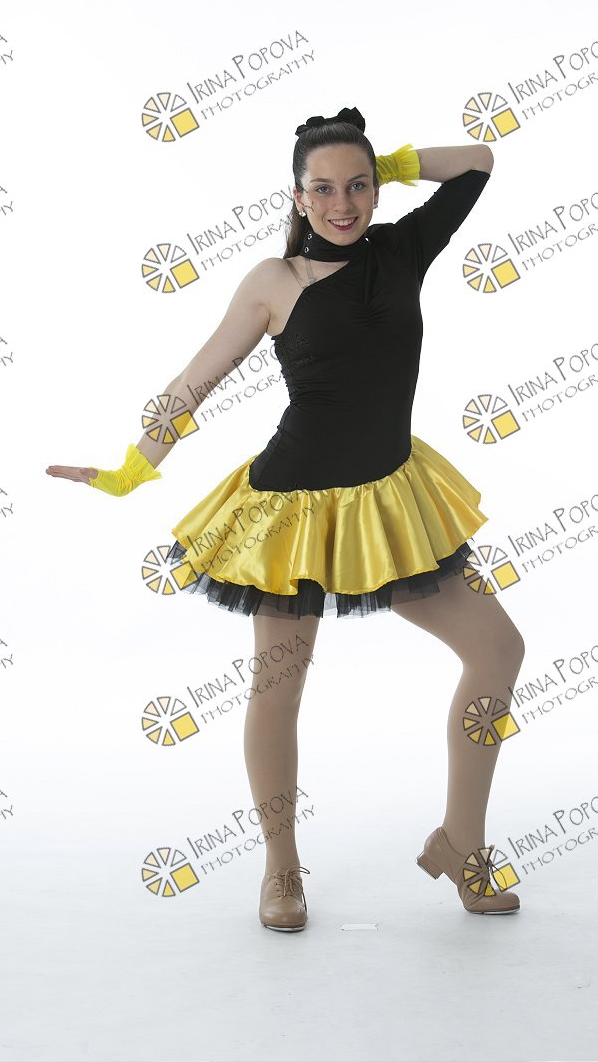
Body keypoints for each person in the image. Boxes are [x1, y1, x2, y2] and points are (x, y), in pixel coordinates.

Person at [46, 106, 525, 930]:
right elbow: (194, 383)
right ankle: (281, 871)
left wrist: (393, 161)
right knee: (278, 685)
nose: (343, 203)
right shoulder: (275, 281)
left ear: (376, 189)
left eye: (358, 186)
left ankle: (461, 844)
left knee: (498, 650)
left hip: (386, 501)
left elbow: (478, 160)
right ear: (297, 197)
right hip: (290, 510)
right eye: (323, 189)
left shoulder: (402, 249)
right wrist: (130, 470)